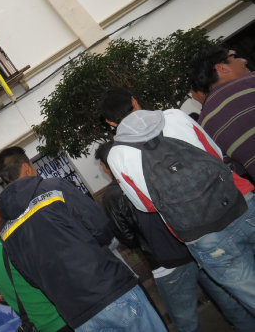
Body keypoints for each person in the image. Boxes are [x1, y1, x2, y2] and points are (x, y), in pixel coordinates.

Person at [101, 88, 255, 314]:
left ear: (110, 122)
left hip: (201, 234)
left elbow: (146, 205)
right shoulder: (174, 116)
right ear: (134, 100)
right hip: (240, 201)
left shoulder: (116, 154)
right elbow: (216, 154)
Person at [0, 146, 166, 331]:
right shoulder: (54, 188)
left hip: (77, 315)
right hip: (109, 288)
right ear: (27, 167)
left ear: (5, 181)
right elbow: (102, 228)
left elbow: (30, 277)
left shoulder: (5, 229)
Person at [95, 141, 255, 332]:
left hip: (167, 263)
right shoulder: (150, 172)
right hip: (195, 244)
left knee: (185, 321)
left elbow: (126, 236)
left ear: (107, 165)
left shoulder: (112, 195)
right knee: (230, 301)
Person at [0, 202, 72, 332]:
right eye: (2, 217)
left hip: (40, 324)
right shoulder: (11, 246)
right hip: (58, 318)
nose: (9, 218)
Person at [189, 44, 255, 182]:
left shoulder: (205, 125)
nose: (244, 61)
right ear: (221, 68)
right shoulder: (251, 81)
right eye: (235, 56)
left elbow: (234, 172)